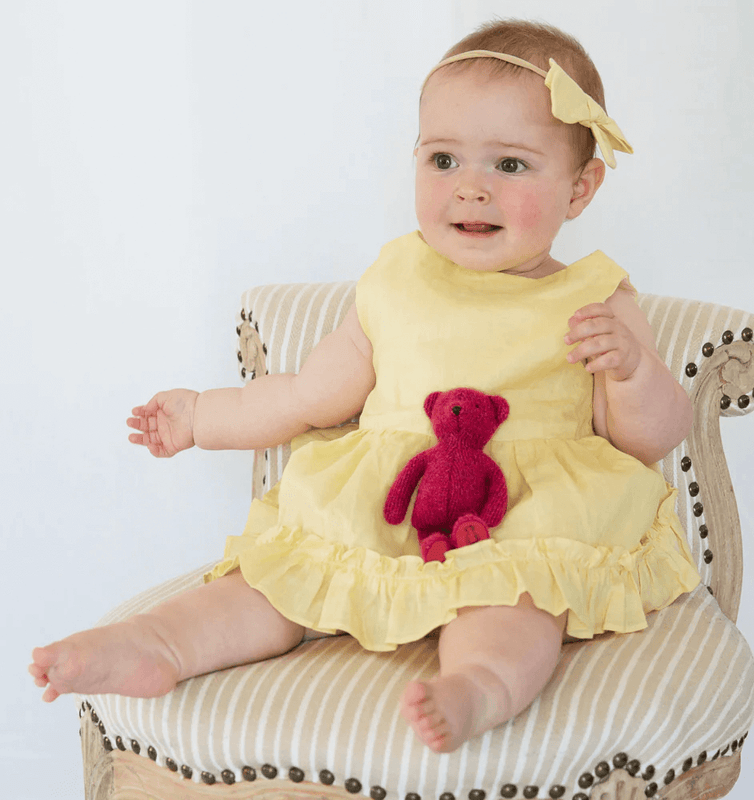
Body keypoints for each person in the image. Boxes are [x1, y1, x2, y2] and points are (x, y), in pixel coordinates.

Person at [29, 19, 701, 754]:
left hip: (522, 515)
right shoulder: (392, 280)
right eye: (443, 159)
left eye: (509, 165)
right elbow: (308, 396)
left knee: (516, 604)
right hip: (386, 503)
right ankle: (158, 643)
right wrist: (202, 417)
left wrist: (633, 371)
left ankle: (477, 687)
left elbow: (648, 438)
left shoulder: (597, 299)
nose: (471, 187)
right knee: (274, 583)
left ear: (580, 188)